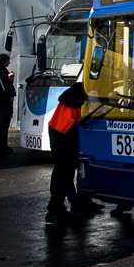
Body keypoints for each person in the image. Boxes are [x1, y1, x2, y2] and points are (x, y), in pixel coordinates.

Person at [45, 82, 101, 224]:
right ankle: (55, 209)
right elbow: (65, 98)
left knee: (68, 171)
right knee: (63, 173)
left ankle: (73, 204)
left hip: (67, 132)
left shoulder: (81, 92)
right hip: (62, 132)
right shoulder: (79, 89)